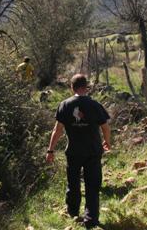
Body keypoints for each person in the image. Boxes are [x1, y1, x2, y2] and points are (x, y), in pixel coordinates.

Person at [46, 74, 111, 229]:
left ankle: (73, 212)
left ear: (72, 87)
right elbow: (105, 127)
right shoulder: (95, 105)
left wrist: (50, 150)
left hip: (73, 152)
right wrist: (107, 141)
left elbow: (57, 130)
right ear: (86, 87)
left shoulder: (64, 105)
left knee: (73, 183)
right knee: (92, 185)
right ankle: (91, 219)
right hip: (93, 151)